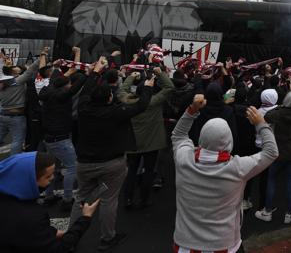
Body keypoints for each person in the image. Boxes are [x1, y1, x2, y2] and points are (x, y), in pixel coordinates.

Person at [171, 93, 278, 253]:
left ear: (201, 138)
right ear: (229, 142)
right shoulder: (238, 168)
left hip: (184, 245)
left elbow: (178, 135)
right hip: (224, 246)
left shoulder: (183, 159)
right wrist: (261, 123)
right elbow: (271, 152)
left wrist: (192, 110)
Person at [69, 60, 154, 251]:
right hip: (111, 165)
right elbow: (141, 106)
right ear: (109, 98)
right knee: (108, 200)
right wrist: (148, 87)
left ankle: (71, 237)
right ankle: (107, 237)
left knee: (81, 198)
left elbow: (85, 91)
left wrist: (95, 73)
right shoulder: (116, 112)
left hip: (84, 163)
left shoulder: (83, 108)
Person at [0, 151, 100, 252]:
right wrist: (85, 218)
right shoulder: (32, 216)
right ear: (30, 180)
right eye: (47, 176)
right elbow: (58, 248)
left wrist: (48, 233)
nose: (52, 178)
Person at [121, 67, 174, 209]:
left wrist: (131, 76)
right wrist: (159, 73)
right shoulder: (153, 101)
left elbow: (122, 90)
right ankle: (144, 199)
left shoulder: (127, 100)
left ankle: (128, 199)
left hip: (133, 143)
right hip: (152, 143)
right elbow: (169, 87)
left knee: (131, 171)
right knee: (149, 171)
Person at [38, 67, 88, 210]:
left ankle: (49, 196)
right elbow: (75, 87)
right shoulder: (62, 96)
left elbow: (53, 82)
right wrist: (90, 72)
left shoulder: (46, 93)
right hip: (61, 137)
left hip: (48, 137)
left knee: (52, 168)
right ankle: (67, 199)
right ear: (65, 86)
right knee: (72, 167)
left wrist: (66, 73)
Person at [256, 90, 291, 224]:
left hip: (279, 151)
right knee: (290, 181)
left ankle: (267, 211)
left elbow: (267, 116)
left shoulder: (279, 113)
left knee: (271, 179)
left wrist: (281, 106)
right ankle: (289, 213)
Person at [0, 48, 43, 155]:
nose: (16, 67)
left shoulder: (2, 83)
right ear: (13, 73)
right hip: (17, 116)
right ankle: (13, 162)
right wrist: (42, 56)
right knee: (17, 140)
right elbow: (31, 70)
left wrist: (4, 61)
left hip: (3, 114)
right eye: (15, 68)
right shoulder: (18, 81)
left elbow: (4, 70)